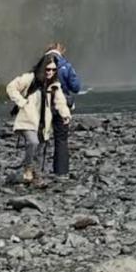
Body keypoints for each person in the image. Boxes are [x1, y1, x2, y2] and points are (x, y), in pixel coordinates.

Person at [6, 53, 70, 184]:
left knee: (40, 149)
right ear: (42, 67)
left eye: (53, 69)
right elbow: (11, 87)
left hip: (44, 122)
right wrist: (22, 102)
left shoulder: (54, 85)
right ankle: (28, 168)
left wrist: (65, 115)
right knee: (33, 142)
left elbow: (60, 101)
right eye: (48, 69)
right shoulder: (30, 78)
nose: (50, 72)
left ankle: (36, 175)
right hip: (27, 119)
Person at [43, 43, 82, 178]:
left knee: (40, 136)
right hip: (60, 104)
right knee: (61, 139)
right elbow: (76, 87)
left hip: (43, 104)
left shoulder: (39, 65)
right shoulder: (66, 66)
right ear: (61, 51)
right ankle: (61, 171)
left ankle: (35, 169)